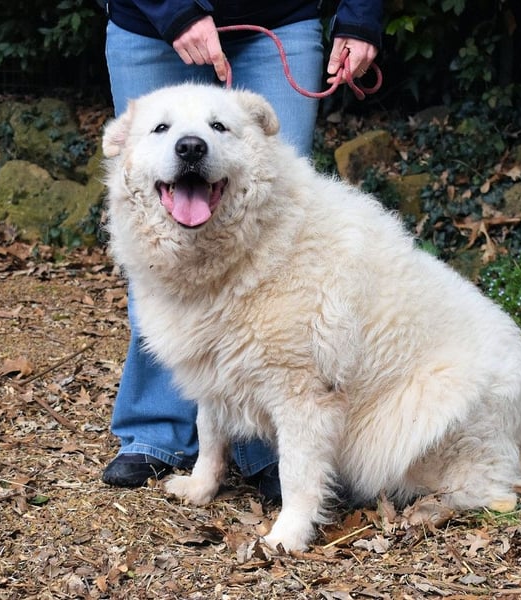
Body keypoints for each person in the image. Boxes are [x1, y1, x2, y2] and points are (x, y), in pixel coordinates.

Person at [99, 0, 383, 495]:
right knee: (156, 242)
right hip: (149, 22)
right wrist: (174, 11)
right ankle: (154, 432)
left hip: (278, 18)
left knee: (275, 237)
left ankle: (266, 445)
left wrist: (360, 17)